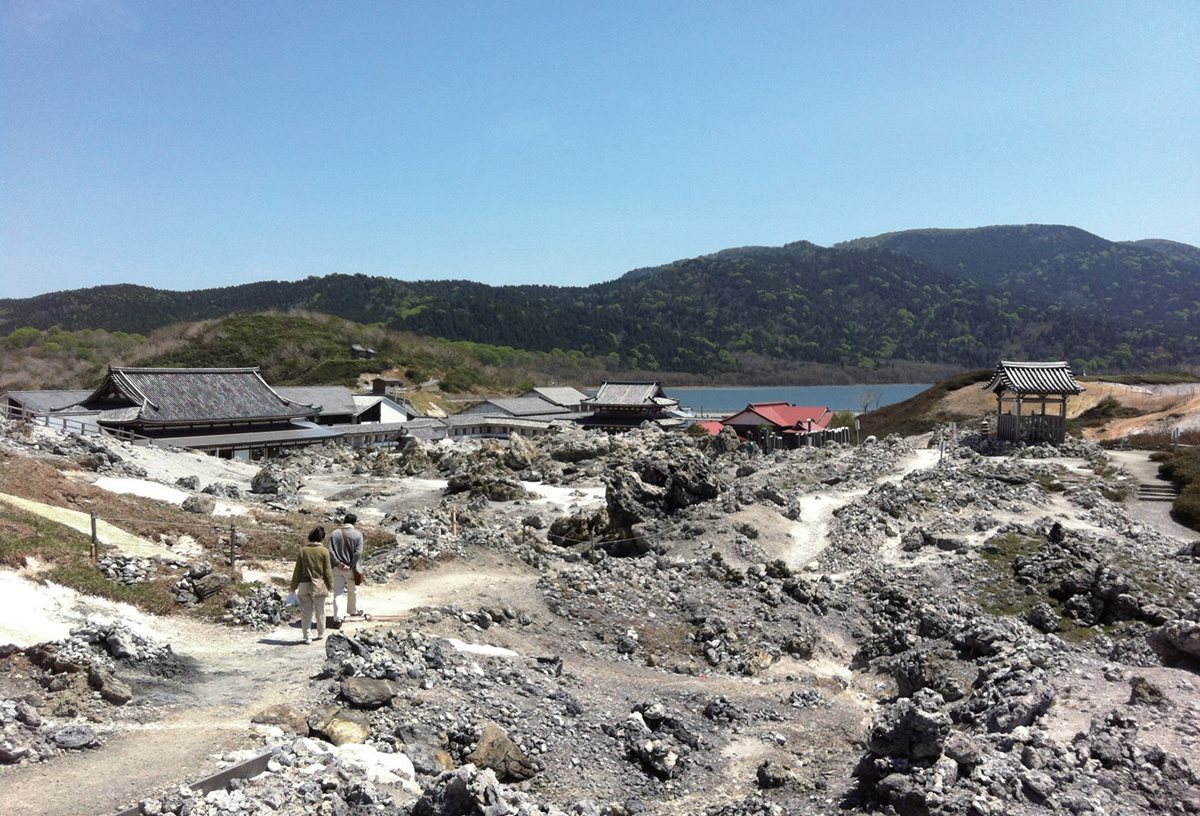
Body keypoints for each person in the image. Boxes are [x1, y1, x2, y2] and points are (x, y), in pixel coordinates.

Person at [290, 526, 334, 644]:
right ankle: (320, 633)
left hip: (304, 585)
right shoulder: (324, 551)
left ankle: (307, 636)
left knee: (306, 612)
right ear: (322, 537)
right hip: (319, 585)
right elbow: (327, 571)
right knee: (320, 610)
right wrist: (330, 585)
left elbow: (297, 571)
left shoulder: (303, 551)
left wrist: (293, 587)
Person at [328, 513, 365, 621]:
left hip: (337, 567)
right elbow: (358, 553)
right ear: (355, 523)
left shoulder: (334, 534)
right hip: (351, 568)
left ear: (344, 521)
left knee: (338, 591)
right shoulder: (358, 535)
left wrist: (338, 563)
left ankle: (338, 617)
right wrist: (351, 565)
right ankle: (352, 611)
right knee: (352, 590)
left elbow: (330, 550)